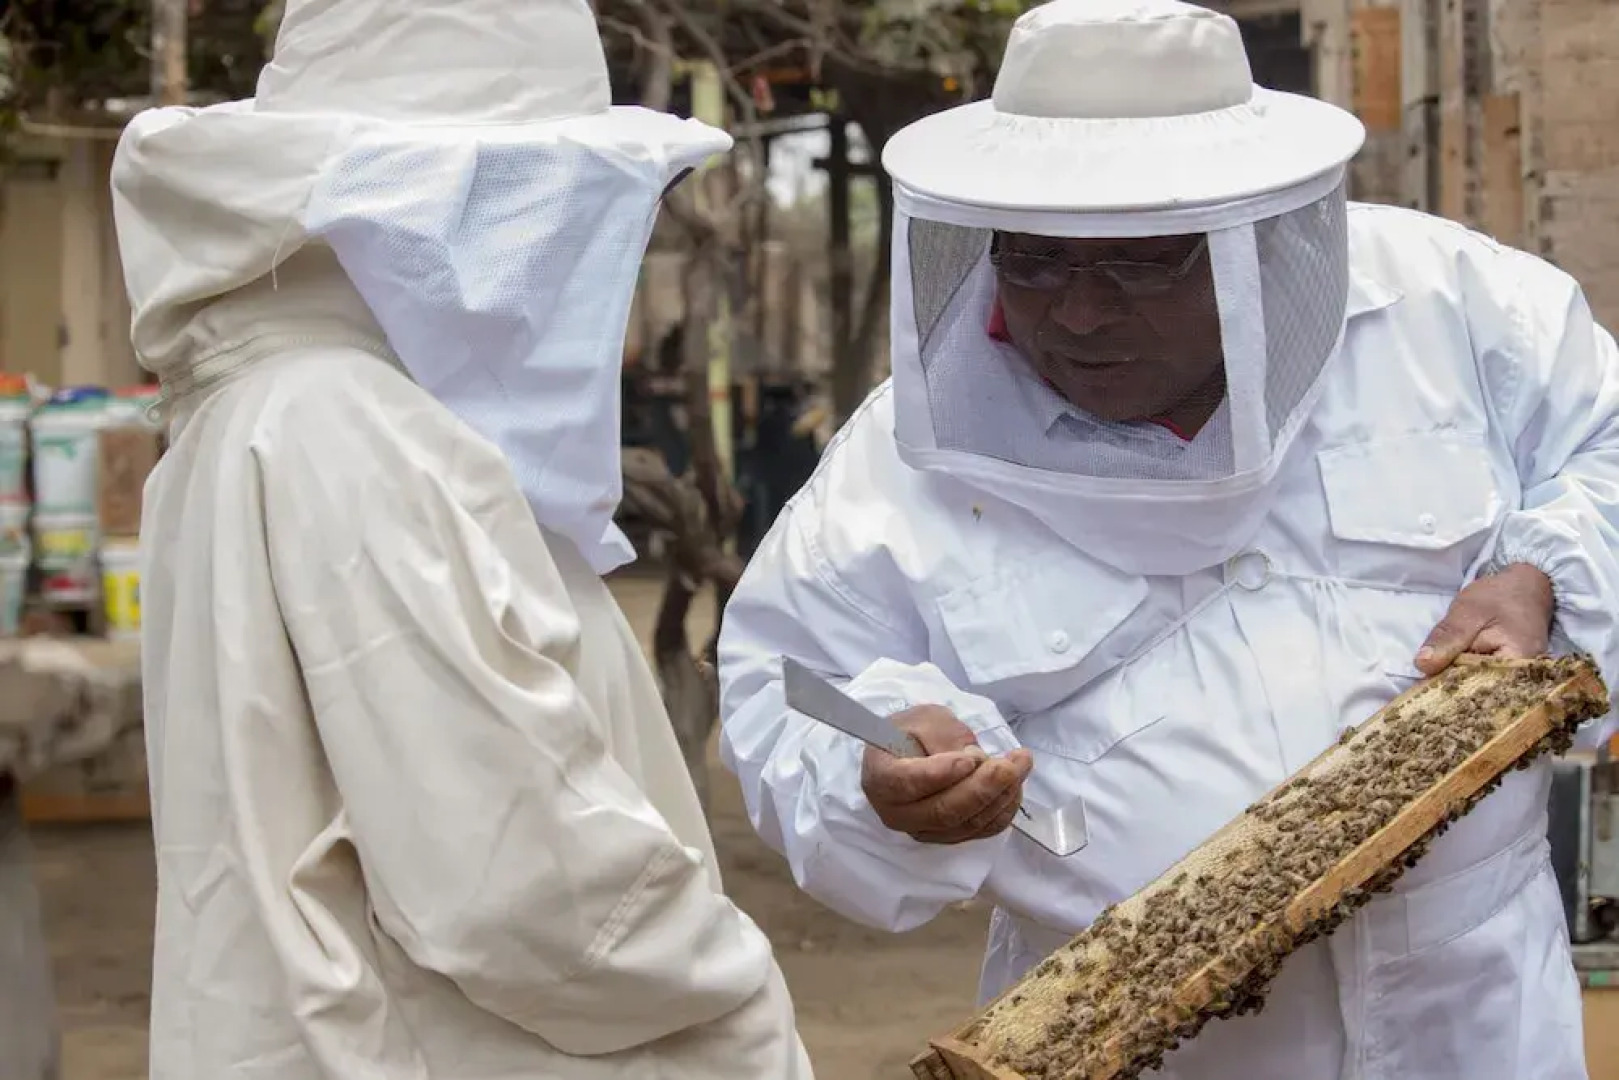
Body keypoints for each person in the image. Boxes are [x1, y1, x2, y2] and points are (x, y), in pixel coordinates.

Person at [718, 1, 1619, 1076]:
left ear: (1262, 241)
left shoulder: (1465, 313)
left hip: (1475, 1023)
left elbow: (1601, 459)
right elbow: (785, 694)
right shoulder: (898, 458)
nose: (1077, 315)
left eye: (1139, 264)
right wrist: (872, 775)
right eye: (1033, 261)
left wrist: (1541, 576)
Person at [110, 1, 812, 1077]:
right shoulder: (345, 426)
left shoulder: (277, 412)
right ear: (437, 199)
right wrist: (730, 992)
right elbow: (523, 889)